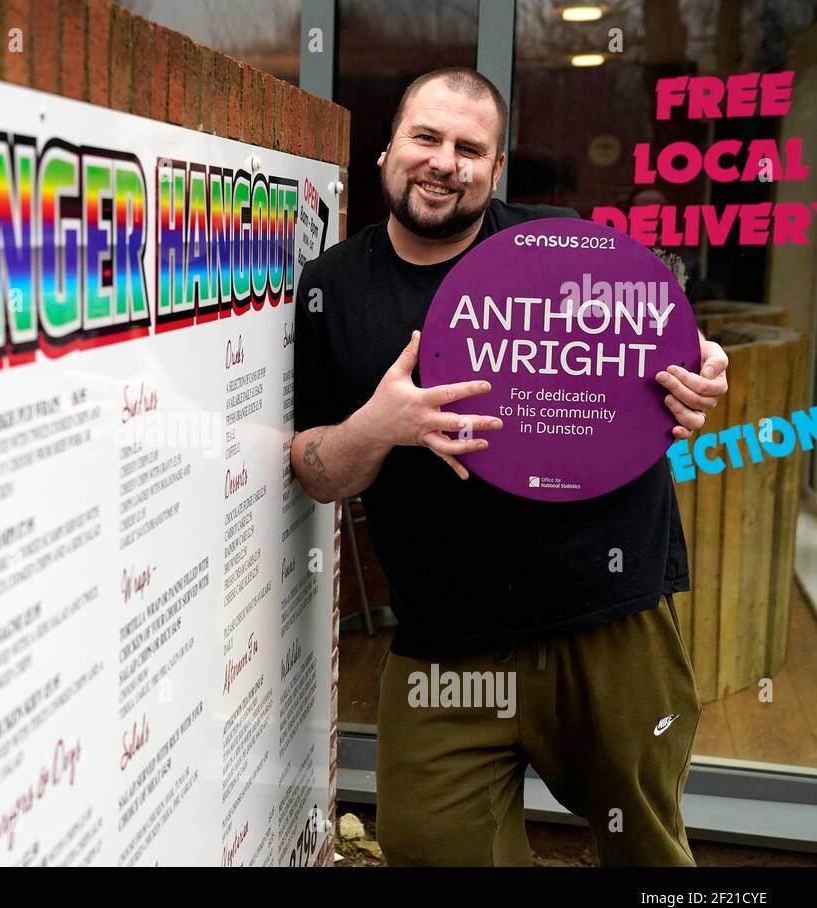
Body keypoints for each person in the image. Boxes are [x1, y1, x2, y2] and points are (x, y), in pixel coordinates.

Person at [290, 67, 730, 866]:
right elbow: (317, 470)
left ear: (495, 171)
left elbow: (673, 354)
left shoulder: (562, 248)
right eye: (426, 137)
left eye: (470, 148)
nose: (443, 161)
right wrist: (379, 425)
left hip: (609, 626)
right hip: (447, 644)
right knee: (431, 847)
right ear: (388, 148)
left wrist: (701, 370)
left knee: (649, 853)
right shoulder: (333, 291)